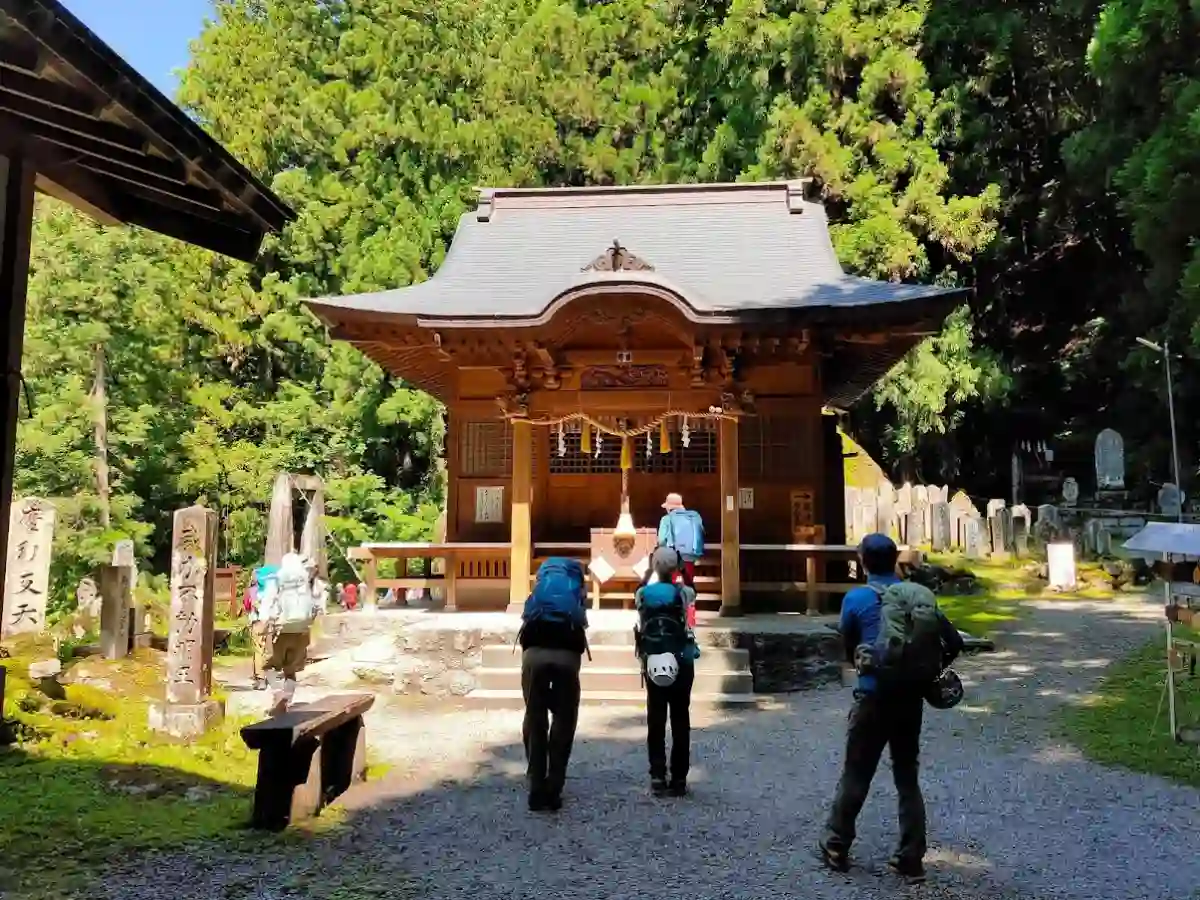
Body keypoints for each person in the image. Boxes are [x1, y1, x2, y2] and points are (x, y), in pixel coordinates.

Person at [819, 533, 964, 884]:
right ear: (896, 559)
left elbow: (847, 643)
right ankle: (910, 857)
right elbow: (954, 641)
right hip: (911, 697)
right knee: (906, 776)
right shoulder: (918, 598)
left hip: (872, 696)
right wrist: (928, 671)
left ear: (862, 561)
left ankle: (836, 845)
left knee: (857, 771)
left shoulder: (856, 599)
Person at [518, 557, 589, 812]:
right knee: (564, 718)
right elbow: (581, 621)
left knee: (535, 717)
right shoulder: (577, 590)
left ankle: (536, 787)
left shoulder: (539, 592)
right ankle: (554, 787)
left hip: (534, 655)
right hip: (567, 658)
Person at [635, 547, 699, 797]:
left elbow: (637, 592)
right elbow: (694, 591)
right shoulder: (682, 593)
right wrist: (684, 571)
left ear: (655, 566)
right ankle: (680, 778)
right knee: (681, 718)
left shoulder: (644, 594)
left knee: (656, 718)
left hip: (653, 659)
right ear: (675, 568)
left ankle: (658, 775)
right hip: (681, 659)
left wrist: (648, 571)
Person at [257, 552, 327, 716]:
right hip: (302, 631)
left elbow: (268, 601)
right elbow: (318, 605)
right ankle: (286, 701)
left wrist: (264, 623)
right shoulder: (307, 581)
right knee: (291, 669)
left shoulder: (277, 578)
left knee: (269, 666)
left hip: (282, 630)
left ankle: (278, 694)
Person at [656, 493, 704, 626]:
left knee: (669, 587)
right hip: (689, 557)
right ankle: (690, 620)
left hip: (672, 557)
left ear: (669, 507)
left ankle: (671, 618)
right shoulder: (693, 517)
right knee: (688, 586)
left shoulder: (666, 519)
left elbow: (661, 540)